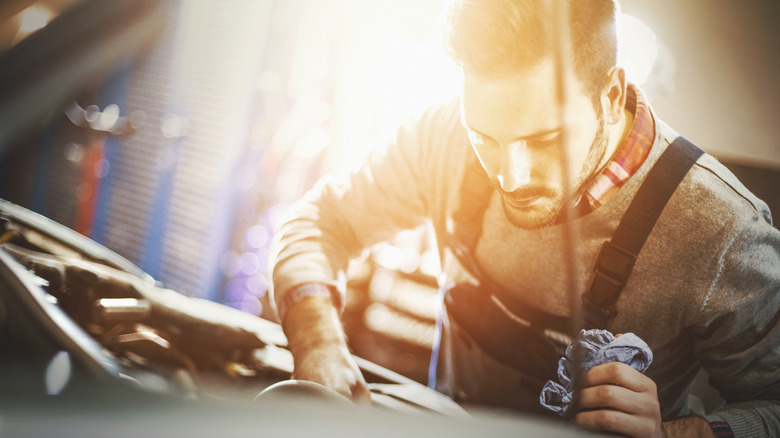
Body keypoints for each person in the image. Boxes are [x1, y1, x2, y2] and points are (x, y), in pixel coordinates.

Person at [268, 0, 780, 436]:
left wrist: (675, 434)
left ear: (611, 94)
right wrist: (318, 343)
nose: (510, 177)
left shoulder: (722, 231)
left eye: (545, 140)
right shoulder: (443, 134)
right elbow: (322, 221)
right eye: (485, 138)